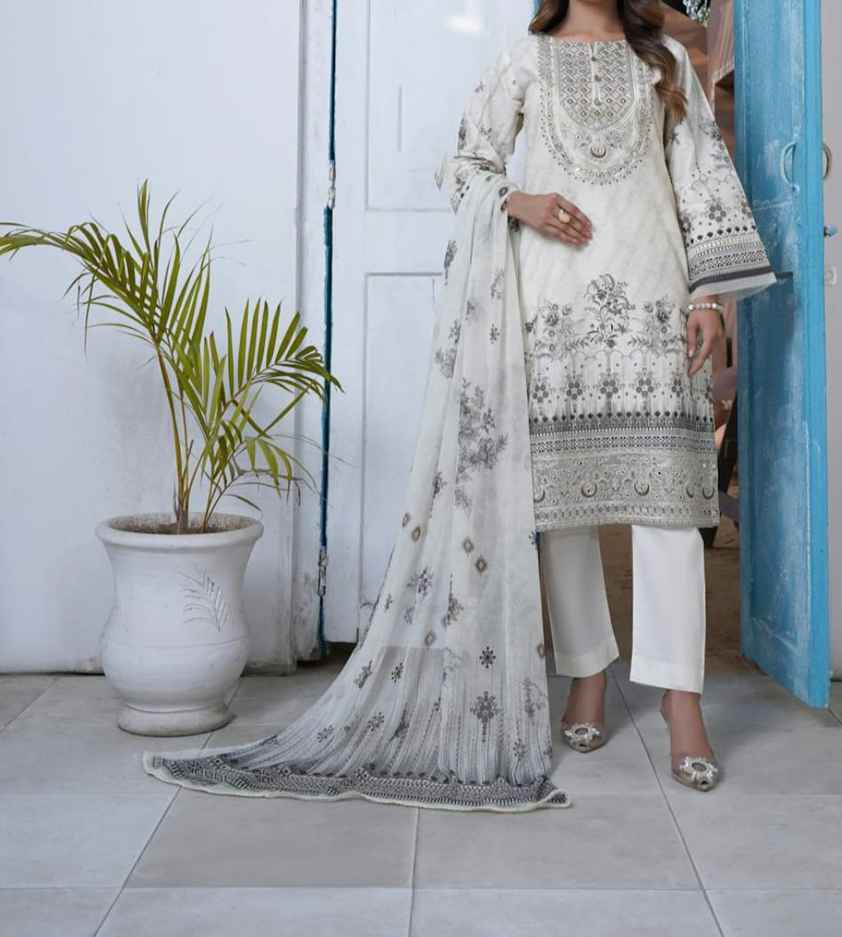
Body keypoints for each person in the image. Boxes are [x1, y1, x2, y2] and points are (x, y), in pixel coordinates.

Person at [142, 0, 774, 810]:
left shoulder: (665, 63)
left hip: (655, 301)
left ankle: (682, 699)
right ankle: (586, 672)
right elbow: (467, 162)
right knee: (565, 507)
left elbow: (703, 183)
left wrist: (709, 297)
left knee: (670, 509)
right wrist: (520, 202)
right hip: (549, 307)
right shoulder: (525, 60)